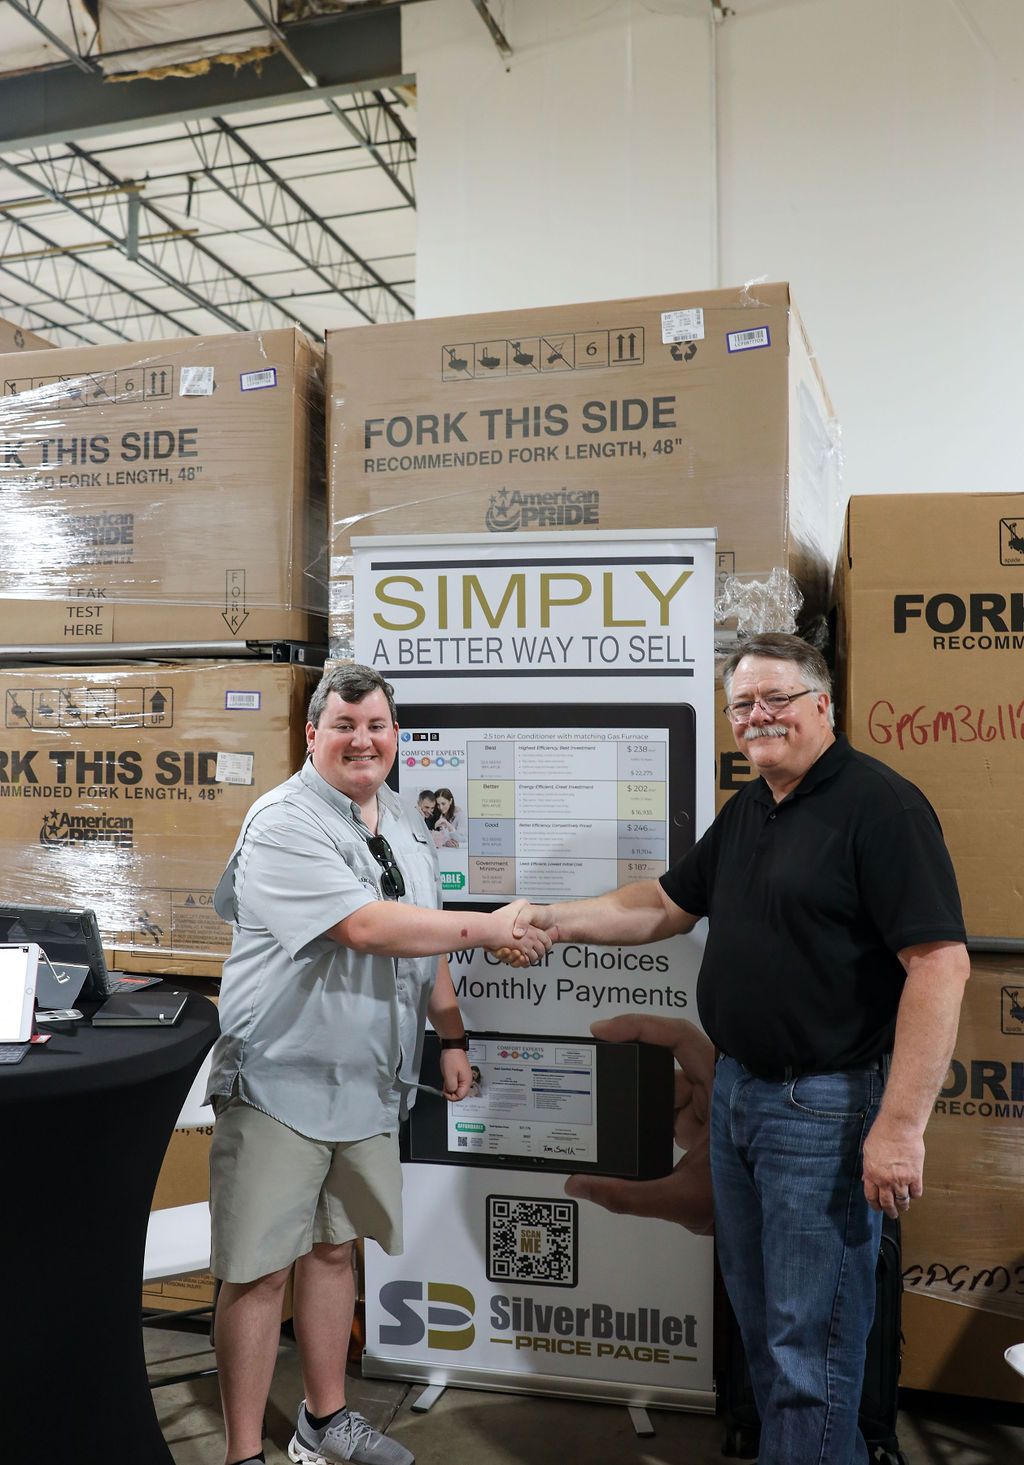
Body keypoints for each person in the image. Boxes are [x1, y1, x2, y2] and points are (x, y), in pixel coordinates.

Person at [509, 633, 969, 1465]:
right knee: (766, 1343)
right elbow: (662, 904)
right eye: (742, 705)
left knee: (812, 1353)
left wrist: (900, 1125)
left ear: (823, 704)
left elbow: (940, 964)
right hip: (737, 1098)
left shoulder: (881, 807)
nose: (759, 716)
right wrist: (550, 918)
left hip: (823, 1111)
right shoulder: (753, 808)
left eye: (777, 698)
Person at [205, 664, 551, 1465]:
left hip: (367, 1084)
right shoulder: (283, 821)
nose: (363, 740)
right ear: (311, 735)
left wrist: (452, 1035)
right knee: (257, 1269)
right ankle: (240, 1454)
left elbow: (419, 935)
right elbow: (365, 927)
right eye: (345, 725)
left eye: (377, 725)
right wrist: (492, 927)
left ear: (395, 736)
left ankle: (324, 1424)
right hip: (280, 1084)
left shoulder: (399, 819)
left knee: (334, 1248)